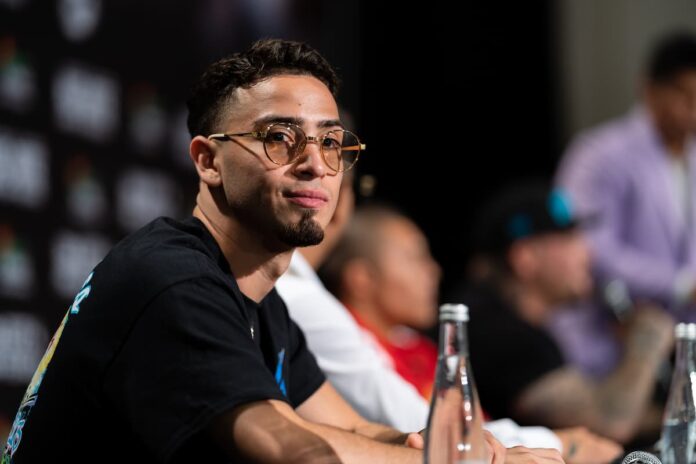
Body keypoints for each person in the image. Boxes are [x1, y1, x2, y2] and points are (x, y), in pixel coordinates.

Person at [2, 39, 564, 464]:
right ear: (207, 160)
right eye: (280, 137)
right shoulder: (170, 277)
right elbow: (296, 451)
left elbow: (355, 430)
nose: (315, 162)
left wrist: (475, 452)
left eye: (329, 141)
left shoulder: (263, 300)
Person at [286, 195, 621, 463]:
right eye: (414, 258)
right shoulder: (348, 339)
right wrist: (558, 443)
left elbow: (467, 430)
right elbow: (427, 429)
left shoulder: (417, 344)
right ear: (362, 279)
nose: (433, 271)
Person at [450, 183, 674, 445]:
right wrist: (647, 341)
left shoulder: (507, 321)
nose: (588, 252)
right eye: (570, 239)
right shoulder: (496, 331)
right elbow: (608, 422)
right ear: (525, 258)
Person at [556, 31, 696, 317]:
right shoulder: (598, 153)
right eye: (685, 94)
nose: (693, 108)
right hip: (615, 330)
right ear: (649, 89)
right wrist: (680, 285)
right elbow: (587, 245)